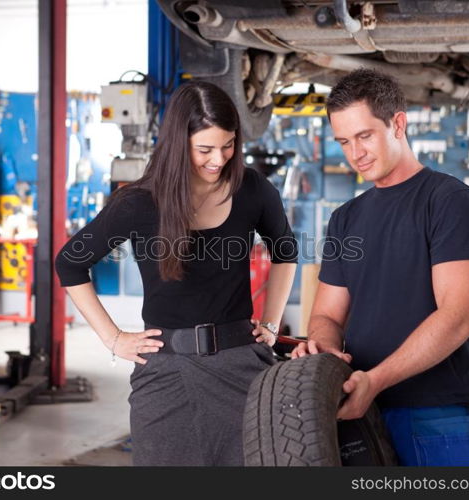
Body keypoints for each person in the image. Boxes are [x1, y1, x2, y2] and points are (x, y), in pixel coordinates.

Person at [55, 81, 298, 466]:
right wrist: (114, 338)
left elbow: (286, 251)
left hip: (242, 366)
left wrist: (269, 322)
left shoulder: (252, 188)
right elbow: (69, 263)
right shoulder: (138, 202)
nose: (218, 159)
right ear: (177, 143)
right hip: (165, 372)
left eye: (228, 145)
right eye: (205, 149)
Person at [292, 69, 469, 466]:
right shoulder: (345, 218)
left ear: (398, 123)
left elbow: (459, 316)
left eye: (365, 136)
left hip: (435, 418)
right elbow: (325, 314)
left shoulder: (448, 200)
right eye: (344, 142)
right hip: (360, 413)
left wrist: (376, 380)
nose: (355, 153)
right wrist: (327, 353)